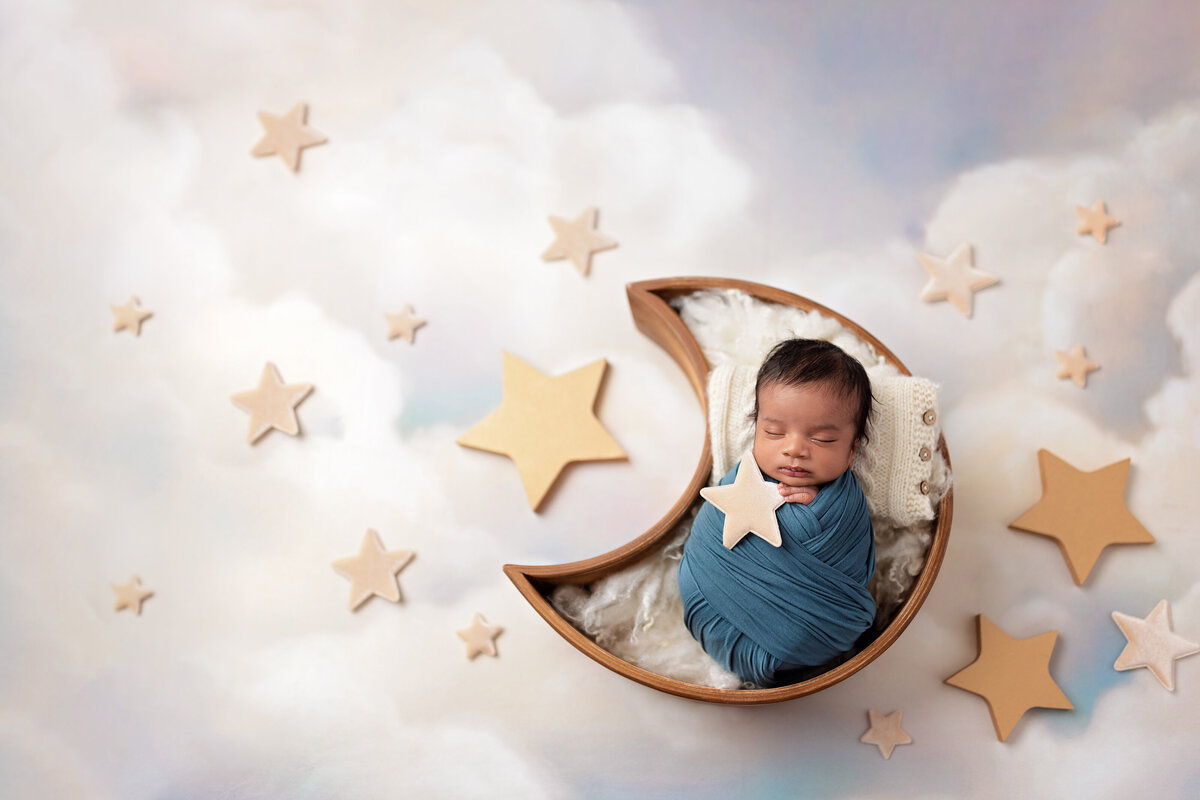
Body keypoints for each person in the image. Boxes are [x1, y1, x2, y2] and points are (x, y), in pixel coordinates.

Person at [678, 338, 877, 687]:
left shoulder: (845, 505)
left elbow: (853, 557)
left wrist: (819, 512)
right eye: (774, 432)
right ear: (756, 429)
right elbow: (709, 532)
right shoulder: (738, 480)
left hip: (815, 636)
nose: (794, 448)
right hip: (712, 606)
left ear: (851, 452)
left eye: (823, 439)